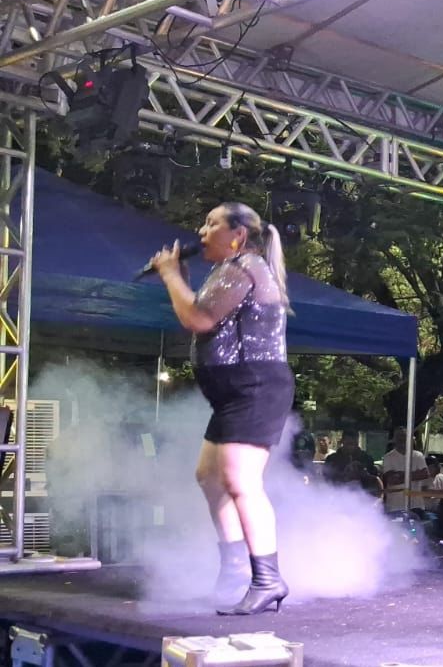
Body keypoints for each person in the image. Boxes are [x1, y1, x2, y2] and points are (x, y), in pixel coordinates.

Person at [150, 202, 294, 615]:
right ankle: (234, 566)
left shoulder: (244, 267)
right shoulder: (230, 269)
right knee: (209, 476)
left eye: (212, 224)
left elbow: (198, 318)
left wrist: (170, 275)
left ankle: (268, 579)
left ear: (238, 235)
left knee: (239, 480)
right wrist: (181, 280)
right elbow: (199, 311)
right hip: (235, 392)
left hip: (254, 386)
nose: (201, 231)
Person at [381, 428, 430, 514]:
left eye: (405, 437)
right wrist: (415, 474)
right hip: (395, 506)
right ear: (395, 440)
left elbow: (425, 474)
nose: (402, 440)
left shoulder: (418, 455)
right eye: (399, 438)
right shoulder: (388, 457)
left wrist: (400, 474)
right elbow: (392, 480)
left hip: (416, 505)